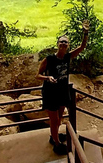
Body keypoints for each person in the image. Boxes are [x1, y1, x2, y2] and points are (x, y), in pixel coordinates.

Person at [37, 20, 90, 154]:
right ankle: (56, 143)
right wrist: (47, 78)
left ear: (67, 46)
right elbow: (37, 75)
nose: (63, 44)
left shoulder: (67, 57)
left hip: (62, 91)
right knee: (54, 120)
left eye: (65, 42)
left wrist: (85, 32)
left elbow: (82, 47)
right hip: (50, 93)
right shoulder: (49, 59)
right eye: (61, 41)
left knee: (59, 117)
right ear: (57, 44)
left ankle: (53, 136)